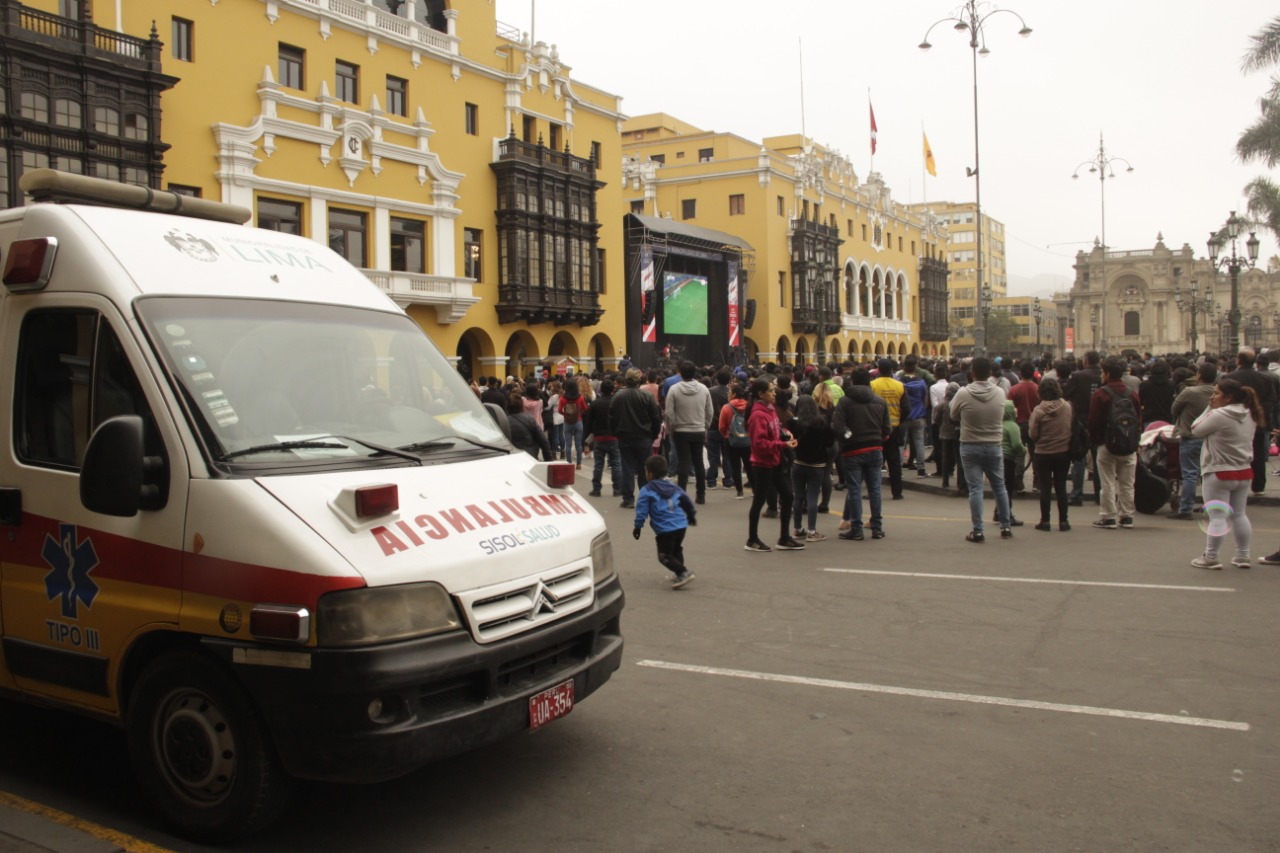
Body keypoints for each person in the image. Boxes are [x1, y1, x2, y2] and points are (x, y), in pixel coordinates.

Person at [1189, 378, 1263, 570]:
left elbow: (1195, 429)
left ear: (1228, 397)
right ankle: (1242, 555)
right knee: (1239, 515)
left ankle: (1211, 557)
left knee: (1217, 517)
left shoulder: (1220, 414)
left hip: (1219, 471)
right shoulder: (1250, 413)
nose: (1212, 397)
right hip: (1243, 470)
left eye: (1217, 393)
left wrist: (1209, 409)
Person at [949, 356, 1012, 543]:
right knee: (999, 487)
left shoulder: (963, 393)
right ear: (990, 373)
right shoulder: (1000, 392)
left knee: (975, 488)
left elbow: (953, 414)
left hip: (970, 444)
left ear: (972, 373)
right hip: (994, 444)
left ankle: (978, 530)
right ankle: (1006, 526)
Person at [744, 380, 804, 553]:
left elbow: (776, 430)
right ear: (761, 394)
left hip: (775, 460)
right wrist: (783, 445)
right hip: (762, 463)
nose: (775, 393)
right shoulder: (757, 414)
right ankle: (752, 539)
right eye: (771, 391)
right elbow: (760, 443)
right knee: (759, 501)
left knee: (788, 495)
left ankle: (784, 537)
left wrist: (785, 434)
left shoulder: (770, 409)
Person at [832, 368, 890, 541]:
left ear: (853, 381)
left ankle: (856, 528)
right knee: (875, 489)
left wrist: (847, 438)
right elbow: (887, 428)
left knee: (855, 489)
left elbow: (838, 426)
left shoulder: (845, 402)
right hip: (875, 448)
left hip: (853, 449)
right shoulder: (880, 401)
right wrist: (879, 438)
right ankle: (877, 527)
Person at [1088, 357, 1142, 530]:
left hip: (1107, 443)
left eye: (1103, 371)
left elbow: (1093, 421)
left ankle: (1108, 516)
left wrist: (1098, 440)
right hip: (1129, 444)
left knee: (1108, 482)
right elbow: (1138, 419)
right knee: (1127, 483)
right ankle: (1127, 516)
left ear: (1108, 373)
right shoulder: (1131, 392)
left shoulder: (1101, 394)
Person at [632, 455, 697, 589]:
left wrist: (638, 527)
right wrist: (690, 514)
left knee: (664, 556)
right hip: (681, 525)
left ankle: (683, 572)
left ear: (649, 474)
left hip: (665, 529)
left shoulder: (647, 490)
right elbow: (685, 499)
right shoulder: (674, 487)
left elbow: (641, 511)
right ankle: (679, 572)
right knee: (676, 549)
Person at [1168, 362, 1217, 519]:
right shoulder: (1218, 392)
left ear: (1199, 375)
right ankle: (1211, 507)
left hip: (1190, 437)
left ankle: (1185, 509)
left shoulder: (1190, 392)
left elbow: (1174, 409)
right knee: (1208, 474)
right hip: (1211, 438)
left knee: (1189, 474)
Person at [609, 368, 663, 509]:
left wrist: (615, 432)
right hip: (644, 436)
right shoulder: (647, 396)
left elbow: (611, 418)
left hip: (624, 436)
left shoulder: (618, 396)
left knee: (627, 467)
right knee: (644, 468)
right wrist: (654, 434)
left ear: (626, 380)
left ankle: (628, 499)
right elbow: (656, 418)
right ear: (640, 381)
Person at [664, 360, 714, 504]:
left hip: (680, 430)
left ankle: (681, 495)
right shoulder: (704, 389)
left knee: (684, 463)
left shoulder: (674, 389)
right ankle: (701, 494)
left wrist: (672, 428)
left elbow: (669, 413)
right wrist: (705, 426)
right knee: (698, 462)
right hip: (698, 430)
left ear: (680, 372)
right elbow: (709, 411)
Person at [1028, 377, 1073, 531]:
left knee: (1045, 488)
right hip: (1063, 451)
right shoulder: (1067, 407)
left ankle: (1045, 521)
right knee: (1061, 487)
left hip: (1043, 452)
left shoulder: (1038, 410)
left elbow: (1033, 434)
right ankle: (1064, 521)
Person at [788, 394, 835, 542]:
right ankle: (812, 530)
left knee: (798, 495)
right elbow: (829, 442)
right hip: (817, 463)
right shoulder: (822, 422)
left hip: (799, 461)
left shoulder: (793, 423)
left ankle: (797, 529)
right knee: (813, 496)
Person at [1064, 351, 1103, 506]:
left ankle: (1077, 494)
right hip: (1099, 421)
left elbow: (1066, 393)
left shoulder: (1078, 376)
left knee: (1079, 458)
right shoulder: (1103, 374)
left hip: (1080, 421)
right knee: (1099, 459)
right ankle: (1100, 494)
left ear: (1086, 360)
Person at [870, 359, 907, 500]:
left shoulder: (872, 385)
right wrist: (898, 421)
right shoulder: (900, 386)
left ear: (878, 369)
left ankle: (873, 491)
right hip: (894, 427)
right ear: (891, 370)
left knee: (875, 463)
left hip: (876, 428)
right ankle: (897, 492)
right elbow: (906, 408)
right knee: (894, 462)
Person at [584, 379, 622, 497]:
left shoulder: (596, 403)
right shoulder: (616, 403)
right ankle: (617, 488)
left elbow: (589, 422)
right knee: (616, 464)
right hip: (614, 437)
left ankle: (596, 489)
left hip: (599, 437)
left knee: (598, 464)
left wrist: (586, 441)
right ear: (612, 390)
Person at [899, 355, 932, 479]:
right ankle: (921, 470)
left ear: (904, 367)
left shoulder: (899, 381)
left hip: (903, 416)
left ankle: (898, 471)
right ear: (915, 366)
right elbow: (925, 399)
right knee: (919, 443)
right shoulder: (921, 382)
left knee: (901, 444)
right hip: (919, 416)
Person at [719, 383, 751, 500]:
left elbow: (722, 426)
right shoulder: (749, 406)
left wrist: (727, 435)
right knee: (749, 464)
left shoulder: (726, 407)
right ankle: (754, 489)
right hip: (748, 439)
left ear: (734, 394)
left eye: (730, 392)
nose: (728, 394)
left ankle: (739, 491)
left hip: (731, 440)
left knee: (735, 465)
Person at [998, 400, 1027, 527]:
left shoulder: (998, 424)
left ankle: (998, 511)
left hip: (997, 458)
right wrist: (1024, 450)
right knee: (1008, 489)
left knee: (1000, 487)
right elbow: (1016, 445)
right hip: (1008, 458)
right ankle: (1007, 514)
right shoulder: (1012, 426)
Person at [506, 391, 551, 460]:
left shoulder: (503, 421)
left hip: (509, 456)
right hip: (529, 456)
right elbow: (544, 441)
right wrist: (548, 460)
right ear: (521, 406)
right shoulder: (530, 420)